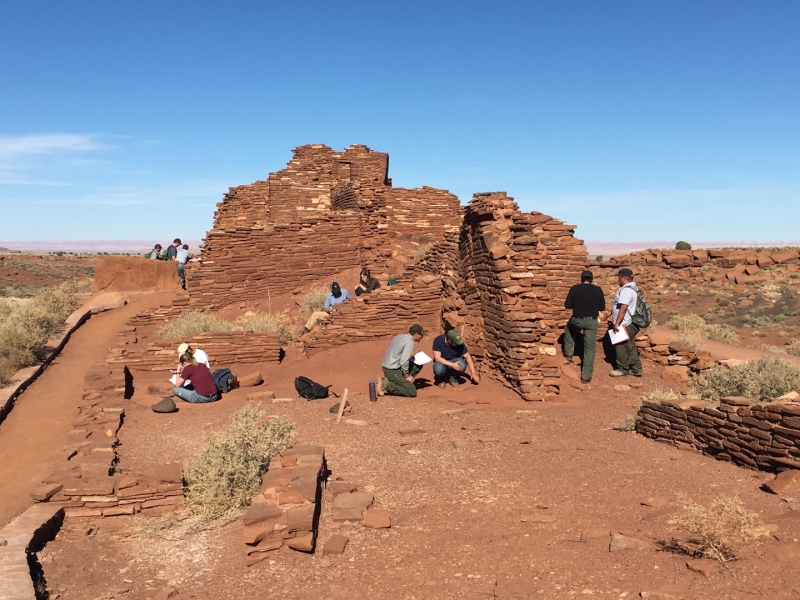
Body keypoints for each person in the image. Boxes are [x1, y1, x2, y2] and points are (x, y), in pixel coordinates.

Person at [563, 270, 606, 384]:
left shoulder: (575, 288)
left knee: (569, 329)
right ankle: (586, 377)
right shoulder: (598, 290)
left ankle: (568, 354)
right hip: (591, 322)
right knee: (590, 348)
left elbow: (567, 305)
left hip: (577, 320)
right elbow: (601, 307)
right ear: (591, 279)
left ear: (582, 279)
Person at [609, 268, 643, 378]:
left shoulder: (626, 290)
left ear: (623, 278)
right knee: (630, 346)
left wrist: (617, 323)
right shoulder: (633, 288)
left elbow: (624, 306)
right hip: (630, 322)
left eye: (619, 278)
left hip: (625, 323)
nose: (618, 280)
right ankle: (636, 369)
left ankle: (623, 369)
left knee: (621, 346)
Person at [379, 324, 426, 397]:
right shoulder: (409, 342)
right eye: (421, 335)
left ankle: (403, 382)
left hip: (388, 366)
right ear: (416, 334)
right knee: (412, 391)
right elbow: (404, 361)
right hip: (392, 370)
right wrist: (407, 376)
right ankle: (386, 384)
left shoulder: (399, 336)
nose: (422, 337)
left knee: (418, 365)